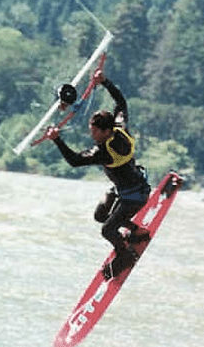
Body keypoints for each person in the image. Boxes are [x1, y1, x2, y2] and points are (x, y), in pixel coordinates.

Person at [45, 69, 151, 279]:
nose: (91, 134)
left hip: (134, 197)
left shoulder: (104, 152)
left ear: (104, 132)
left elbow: (75, 161)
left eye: (94, 131)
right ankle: (135, 231)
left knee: (107, 230)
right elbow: (121, 101)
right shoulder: (120, 126)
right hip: (129, 186)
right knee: (101, 215)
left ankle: (124, 256)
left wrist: (57, 139)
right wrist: (105, 82)